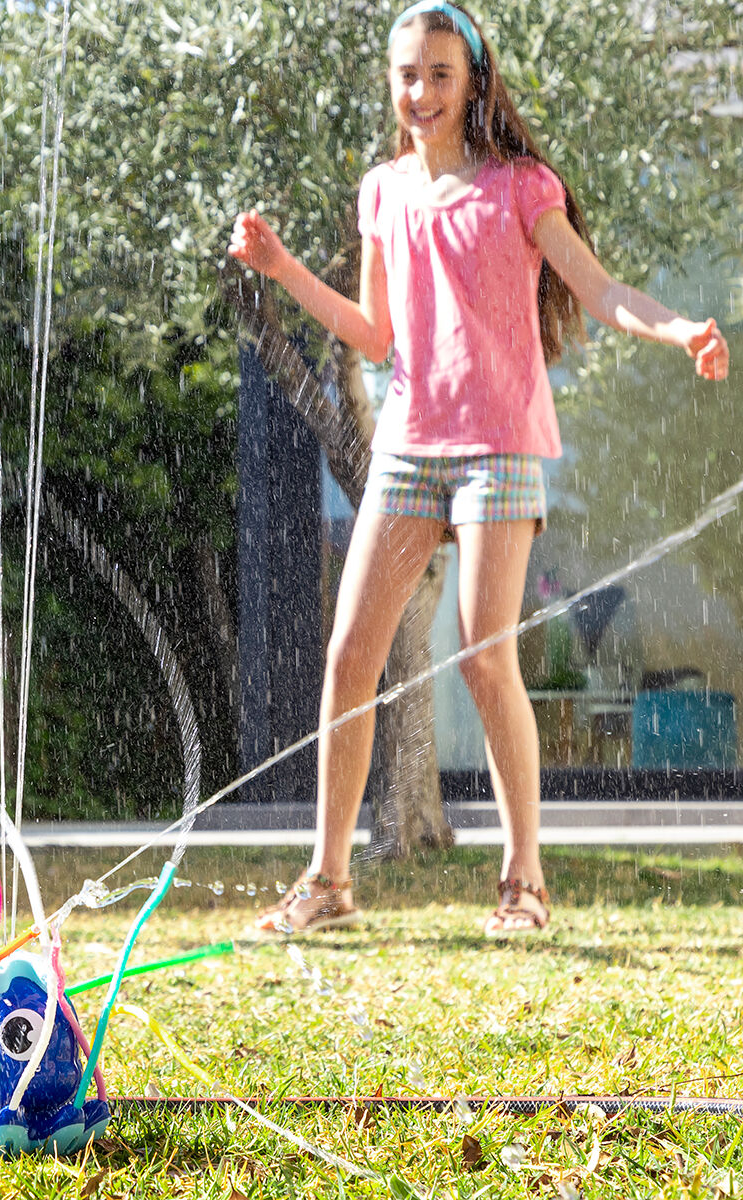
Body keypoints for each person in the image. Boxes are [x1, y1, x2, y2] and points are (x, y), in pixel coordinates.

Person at [229, 0, 729, 937]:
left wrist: (678, 330)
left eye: (440, 76)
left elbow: (598, 287)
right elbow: (376, 335)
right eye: (407, 75)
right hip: (409, 444)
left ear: (474, 84)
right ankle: (328, 883)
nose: (420, 92)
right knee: (349, 656)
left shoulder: (519, 186)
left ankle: (523, 879)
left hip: (499, 446)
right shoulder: (383, 191)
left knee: (483, 652)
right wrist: (286, 268)